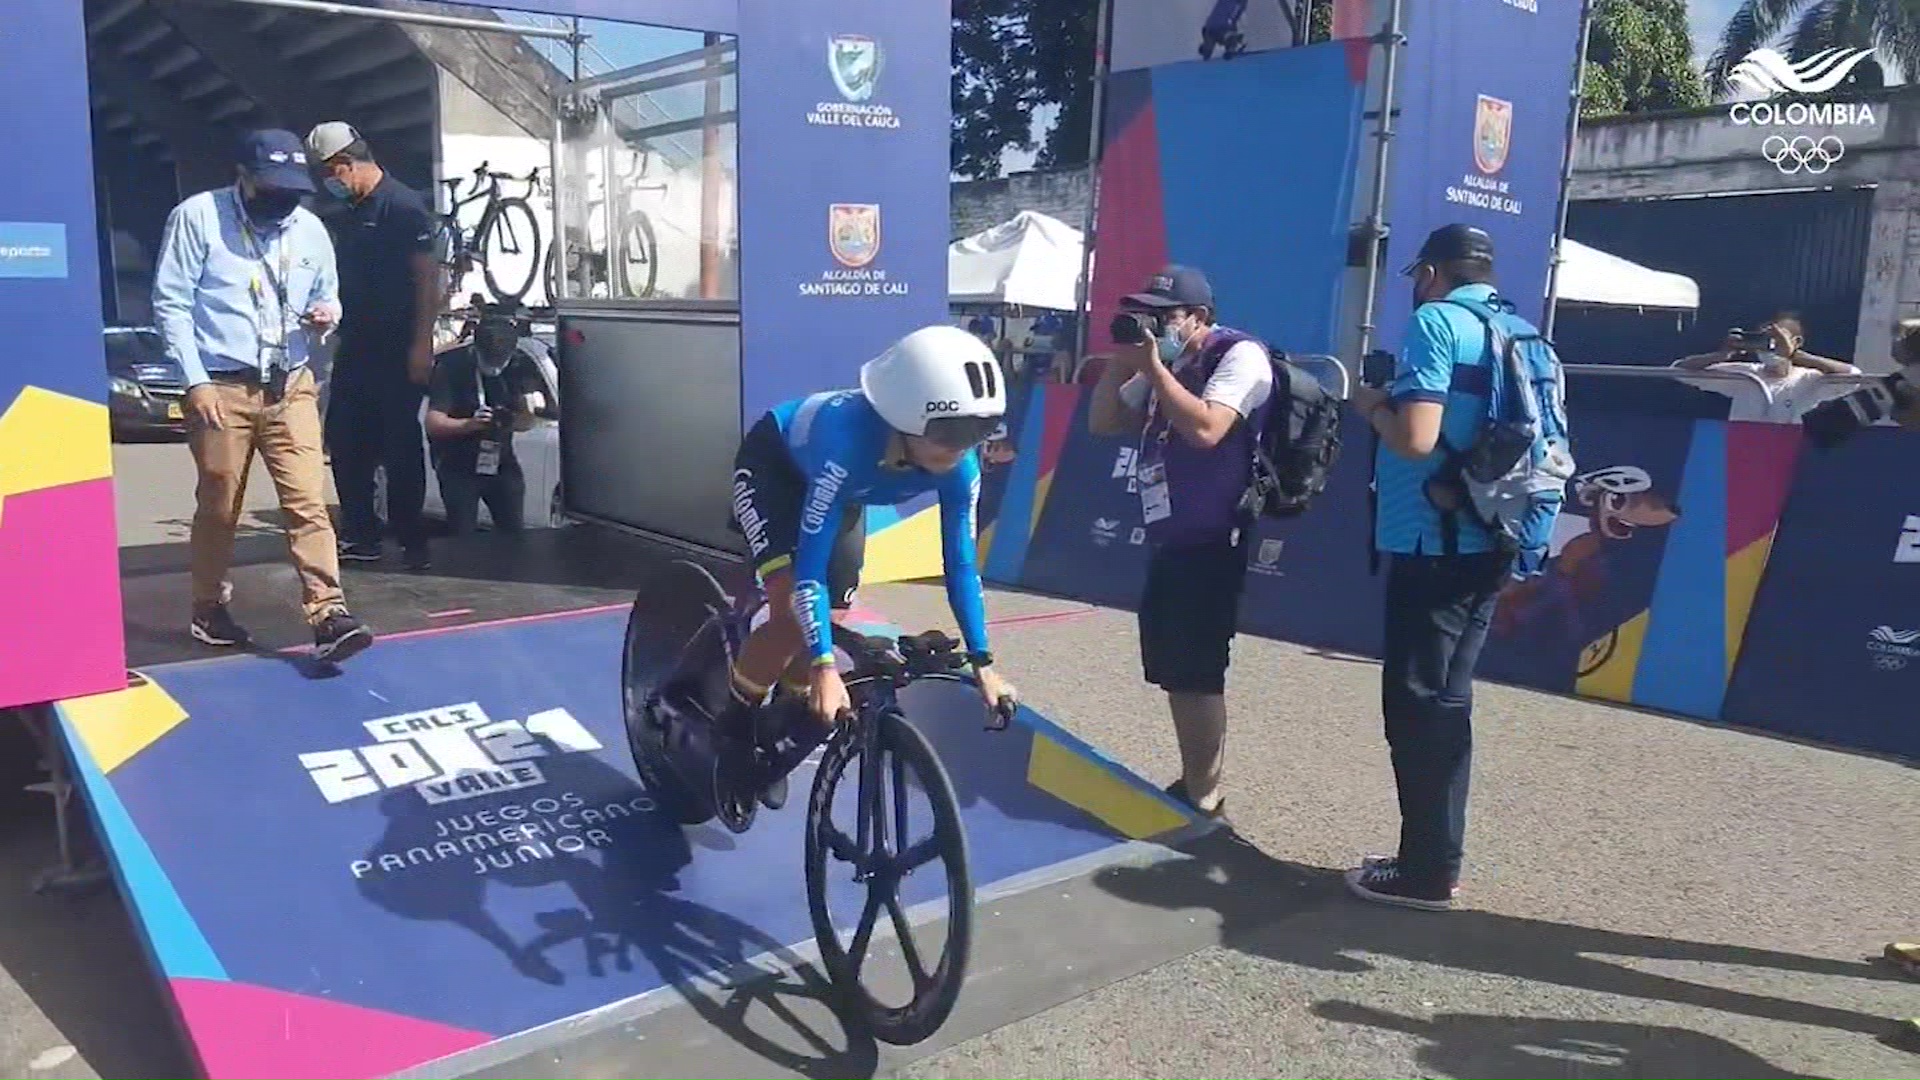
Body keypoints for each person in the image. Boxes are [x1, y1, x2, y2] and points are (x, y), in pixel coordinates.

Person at [724, 324, 1017, 808]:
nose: (961, 448)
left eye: (978, 432)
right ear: (901, 419)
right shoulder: (848, 445)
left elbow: (962, 565)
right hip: (777, 469)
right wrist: (823, 666)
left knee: (831, 617)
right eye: (950, 433)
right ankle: (733, 727)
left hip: (846, 490)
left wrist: (984, 663)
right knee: (793, 613)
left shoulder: (959, 466)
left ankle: (785, 711)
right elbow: (810, 574)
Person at [1345, 223, 1546, 911]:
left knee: (1415, 705)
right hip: (1494, 536)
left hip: (1434, 540)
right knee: (1449, 703)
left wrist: (1373, 404)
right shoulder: (1519, 329)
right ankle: (1437, 857)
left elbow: (1416, 436)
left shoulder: (1436, 323)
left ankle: (1424, 871)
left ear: (1431, 273)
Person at [150, 128, 372, 662]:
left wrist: (328, 314)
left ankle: (328, 613)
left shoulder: (311, 229)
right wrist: (194, 380)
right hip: (220, 386)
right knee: (221, 503)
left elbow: (329, 295)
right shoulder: (198, 218)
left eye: (292, 190)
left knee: (307, 502)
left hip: (290, 382)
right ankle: (208, 607)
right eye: (271, 189)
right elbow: (171, 303)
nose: (282, 201)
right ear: (242, 177)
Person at [1087, 265, 1274, 819]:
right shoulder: (1169, 361)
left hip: (1217, 532)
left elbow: (1208, 429)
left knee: (1197, 668)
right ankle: (1195, 782)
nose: (1155, 326)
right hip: (1172, 532)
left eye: (1165, 316)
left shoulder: (1238, 356)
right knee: (1174, 667)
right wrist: (1121, 363)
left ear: (1199, 317)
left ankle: (1206, 796)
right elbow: (1103, 422)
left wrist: (1152, 368)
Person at [305, 121, 442, 571]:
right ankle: (361, 535)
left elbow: (427, 278)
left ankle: (410, 537)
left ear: (345, 164)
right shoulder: (351, 212)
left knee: (398, 443)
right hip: (357, 345)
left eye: (330, 174)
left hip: (398, 346)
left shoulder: (402, 208)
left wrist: (422, 343)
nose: (330, 184)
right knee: (345, 440)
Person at [424, 304, 539, 535]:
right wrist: (469, 424)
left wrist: (514, 420)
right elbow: (433, 422)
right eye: (491, 360)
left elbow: (528, 419)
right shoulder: (452, 367)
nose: (496, 367)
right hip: (458, 463)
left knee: (514, 532)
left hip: (501, 460)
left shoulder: (517, 366)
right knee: (463, 533)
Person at [1671, 312, 1860, 422]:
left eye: (1777, 339)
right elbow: (1680, 371)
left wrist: (1794, 355)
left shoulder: (1808, 379)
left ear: (1797, 341)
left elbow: (1853, 377)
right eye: (1765, 339)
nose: (1771, 346)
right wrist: (1721, 355)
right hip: (1744, 447)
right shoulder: (1745, 375)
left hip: (1788, 449)